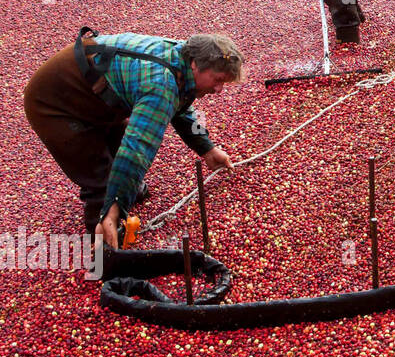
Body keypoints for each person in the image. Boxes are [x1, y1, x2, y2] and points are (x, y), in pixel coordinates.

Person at [23, 30, 241, 247]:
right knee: (98, 169)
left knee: (118, 146)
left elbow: (181, 107)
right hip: (54, 103)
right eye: (218, 80)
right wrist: (114, 207)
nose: (219, 90)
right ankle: (104, 238)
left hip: (94, 94)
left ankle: (122, 194)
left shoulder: (184, 57)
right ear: (196, 65)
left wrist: (207, 148)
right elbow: (137, 148)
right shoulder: (161, 84)